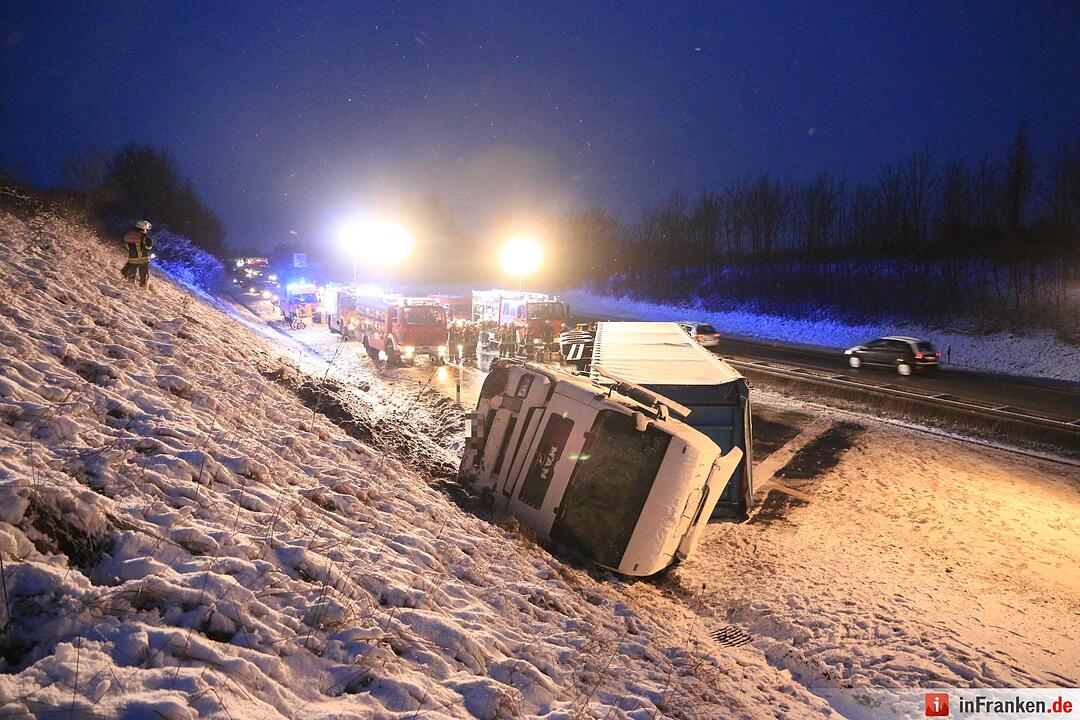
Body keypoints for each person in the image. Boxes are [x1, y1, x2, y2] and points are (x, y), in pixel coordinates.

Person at [120, 220, 154, 288]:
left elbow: (127, 247)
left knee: (131, 275)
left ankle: (129, 288)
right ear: (144, 228)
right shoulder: (145, 238)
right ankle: (143, 289)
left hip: (133, 259)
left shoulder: (129, 235)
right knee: (144, 275)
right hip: (143, 260)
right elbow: (148, 248)